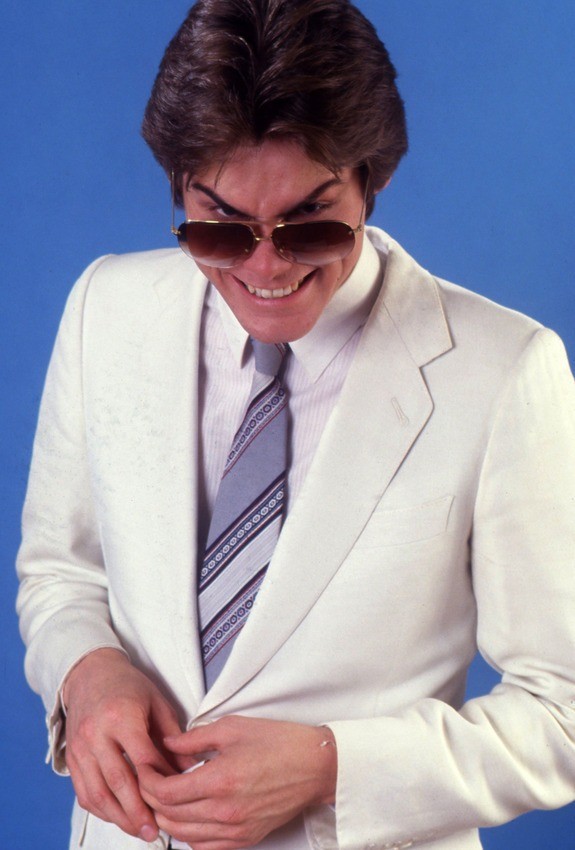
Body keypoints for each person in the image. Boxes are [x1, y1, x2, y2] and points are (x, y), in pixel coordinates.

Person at [16, 1, 575, 849]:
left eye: (310, 223)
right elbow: (61, 571)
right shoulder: (106, 309)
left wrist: (330, 768)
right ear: (178, 189)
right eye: (220, 229)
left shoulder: (503, 372)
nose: (266, 265)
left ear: (371, 182)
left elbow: (562, 711)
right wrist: (86, 674)